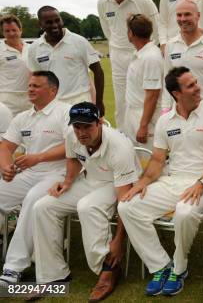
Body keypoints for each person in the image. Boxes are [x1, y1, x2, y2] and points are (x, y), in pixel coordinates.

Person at [118, 66, 203, 296]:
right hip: (172, 180)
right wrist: (142, 182)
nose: (198, 88)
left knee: (184, 213)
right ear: (177, 93)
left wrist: (202, 182)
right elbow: (157, 160)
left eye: (196, 82)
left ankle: (179, 266)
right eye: (191, 85)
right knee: (127, 206)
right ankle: (160, 265)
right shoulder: (166, 121)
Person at [32, 102, 141, 301]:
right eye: (77, 127)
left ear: (99, 123)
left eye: (87, 126)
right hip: (89, 180)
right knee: (43, 206)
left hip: (118, 185)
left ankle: (108, 269)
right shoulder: (71, 135)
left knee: (87, 206)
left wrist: (118, 241)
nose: (81, 132)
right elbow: (73, 158)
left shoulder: (120, 147)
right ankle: (53, 276)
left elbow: (125, 201)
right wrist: (66, 182)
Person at [0, 71, 69, 287]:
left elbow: (73, 147)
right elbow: (6, 147)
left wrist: (39, 157)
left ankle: (14, 267)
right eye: (30, 85)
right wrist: (5, 167)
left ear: (53, 90)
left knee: (32, 199)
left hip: (59, 173)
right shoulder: (23, 117)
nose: (30, 89)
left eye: (36, 86)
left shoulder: (65, 112)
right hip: (29, 172)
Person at [97, 0, 160, 131]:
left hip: (142, 54)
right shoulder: (103, 3)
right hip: (118, 56)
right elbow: (108, 31)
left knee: (146, 97)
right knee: (121, 102)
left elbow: (158, 29)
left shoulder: (142, 0)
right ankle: (124, 138)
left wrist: (148, 51)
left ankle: (151, 135)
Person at [26, 6, 105, 115]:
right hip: (51, 104)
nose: (54, 25)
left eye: (57, 20)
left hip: (80, 101)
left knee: (81, 133)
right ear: (40, 25)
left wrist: (99, 102)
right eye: (49, 22)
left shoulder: (79, 41)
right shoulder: (34, 48)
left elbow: (98, 71)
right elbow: (36, 79)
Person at [125, 14, 164, 150]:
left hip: (145, 119)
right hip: (134, 115)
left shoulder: (150, 57)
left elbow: (152, 95)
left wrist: (143, 126)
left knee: (149, 161)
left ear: (132, 33)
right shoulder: (141, 54)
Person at [0, 15, 30, 115]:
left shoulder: (31, 48)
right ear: (3, 32)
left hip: (30, 100)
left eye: (14, 30)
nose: (11, 33)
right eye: (7, 31)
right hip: (6, 102)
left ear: (20, 30)